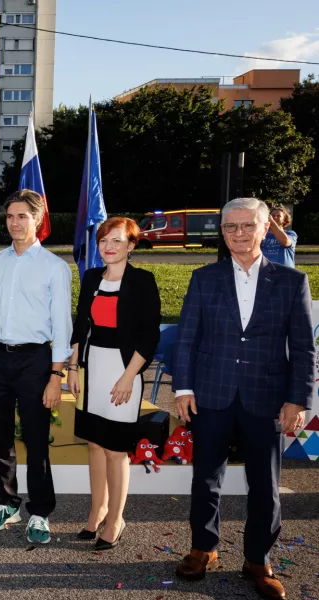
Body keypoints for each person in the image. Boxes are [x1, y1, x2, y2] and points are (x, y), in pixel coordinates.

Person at [172, 197, 314, 600]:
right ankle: (204, 548)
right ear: (222, 231)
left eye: (247, 226)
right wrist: (183, 388)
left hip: (266, 398)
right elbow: (187, 337)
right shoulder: (204, 277)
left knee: (265, 486)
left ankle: (258, 559)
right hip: (211, 395)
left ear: (266, 227)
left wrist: (297, 399)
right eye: (230, 227)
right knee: (205, 480)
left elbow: (303, 348)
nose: (238, 233)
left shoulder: (292, 282)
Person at [0, 190, 72, 545]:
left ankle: (41, 511)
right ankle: (7, 502)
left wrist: (56, 375)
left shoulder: (54, 267)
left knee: (35, 438)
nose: (15, 223)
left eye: (22, 217)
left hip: (35, 359)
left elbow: (63, 325)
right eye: (10, 216)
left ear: (38, 220)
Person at [66, 217, 161, 551]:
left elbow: (149, 337)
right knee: (94, 443)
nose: (108, 247)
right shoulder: (92, 277)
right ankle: (97, 510)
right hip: (91, 371)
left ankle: (116, 518)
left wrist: (127, 377)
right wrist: (73, 368)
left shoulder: (142, 282)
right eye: (104, 240)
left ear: (131, 246)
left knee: (116, 449)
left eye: (117, 241)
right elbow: (80, 327)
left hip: (124, 372)